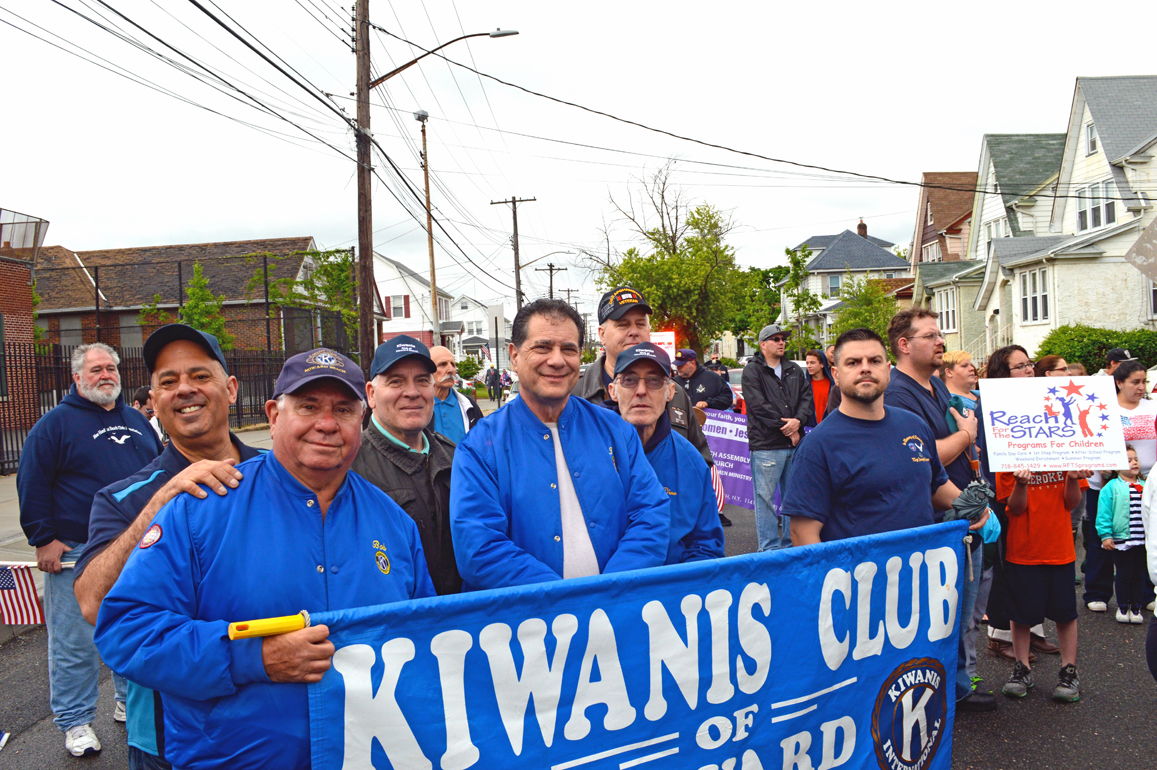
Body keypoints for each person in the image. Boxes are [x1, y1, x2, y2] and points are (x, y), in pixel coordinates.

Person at [94, 348, 435, 769]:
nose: (326, 424)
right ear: (273, 415)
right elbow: (126, 631)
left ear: (360, 421)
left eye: (343, 410)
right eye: (308, 407)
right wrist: (255, 658)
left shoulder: (395, 524)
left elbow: (424, 644)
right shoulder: (201, 508)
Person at [74, 324, 260, 770]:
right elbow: (93, 604)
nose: (185, 390)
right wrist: (163, 500)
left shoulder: (278, 477)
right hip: (166, 737)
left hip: (270, 718)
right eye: (168, 382)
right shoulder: (123, 498)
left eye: (199, 375)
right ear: (153, 402)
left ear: (230, 388)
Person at [451, 299, 669, 590]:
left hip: (614, 616)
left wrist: (610, 589)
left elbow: (651, 515)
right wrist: (565, 602)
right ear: (514, 355)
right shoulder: (480, 447)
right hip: (528, 626)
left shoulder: (615, 430)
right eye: (542, 347)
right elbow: (478, 548)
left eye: (569, 349)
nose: (557, 360)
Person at [17, 342, 162, 757]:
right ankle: (76, 721)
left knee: (131, 627)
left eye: (111, 368)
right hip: (77, 551)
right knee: (74, 642)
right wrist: (43, 537)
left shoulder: (137, 421)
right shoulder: (54, 425)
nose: (106, 375)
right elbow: (32, 481)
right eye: (96, 369)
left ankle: (125, 701)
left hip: (135, 548)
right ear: (76, 377)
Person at [883, 309, 994, 713]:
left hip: (962, 512)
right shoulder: (899, 394)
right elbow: (923, 461)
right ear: (904, 345)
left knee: (965, 610)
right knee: (941, 614)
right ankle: (940, 694)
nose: (940, 341)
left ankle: (958, 683)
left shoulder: (934, 386)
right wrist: (966, 436)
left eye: (940, 334)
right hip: (938, 519)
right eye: (930, 335)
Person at [784, 328, 972, 542]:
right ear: (836, 374)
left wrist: (971, 505)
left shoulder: (914, 425)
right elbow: (803, 533)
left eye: (874, 361)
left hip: (919, 569)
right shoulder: (818, 445)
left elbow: (935, 484)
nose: (865, 369)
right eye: (853, 362)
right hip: (857, 573)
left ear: (888, 370)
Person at [573, 286, 727, 525]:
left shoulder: (675, 393)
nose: (634, 332)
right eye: (623, 324)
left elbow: (700, 462)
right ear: (602, 333)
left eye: (640, 323)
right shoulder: (575, 396)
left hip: (671, 533)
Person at [352, 335, 460, 594]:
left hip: (460, 623)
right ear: (371, 394)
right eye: (396, 381)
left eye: (422, 381)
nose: (412, 392)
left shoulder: (457, 459)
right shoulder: (348, 466)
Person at [608, 343, 724, 564]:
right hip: (602, 592)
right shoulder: (588, 452)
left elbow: (705, 546)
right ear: (613, 391)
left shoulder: (691, 461)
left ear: (671, 391)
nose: (641, 391)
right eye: (630, 380)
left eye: (654, 381)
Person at [981, 346, 1059, 662]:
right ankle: (1000, 634)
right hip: (1004, 492)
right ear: (1003, 374)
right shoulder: (990, 405)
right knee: (1007, 564)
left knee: (1034, 563)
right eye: (1020, 366)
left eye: (1029, 365)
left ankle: (1032, 628)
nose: (1029, 371)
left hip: (1037, 492)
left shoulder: (1040, 401)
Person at [997, 466, 1091, 703]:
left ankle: (1069, 670)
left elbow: (1071, 504)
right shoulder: (1009, 459)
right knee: (1021, 615)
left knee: (1065, 614)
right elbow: (1016, 508)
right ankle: (1022, 668)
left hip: (1059, 550)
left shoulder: (1066, 457)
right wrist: (1020, 484)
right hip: (1023, 550)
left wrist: (1071, 479)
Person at [742, 323, 813, 551]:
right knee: (765, 499)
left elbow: (806, 399)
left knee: (793, 498)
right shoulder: (752, 370)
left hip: (793, 443)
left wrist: (799, 422)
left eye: (783, 338)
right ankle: (769, 549)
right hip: (766, 445)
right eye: (776, 339)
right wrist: (789, 428)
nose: (782, 342)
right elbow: (758, 406)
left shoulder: (794, 368)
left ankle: (791, 544)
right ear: (763, 345)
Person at [1096, 446, 1148, 623]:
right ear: (1117, 465)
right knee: (1124, 573)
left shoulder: (1145, 486)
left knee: (1140, 573)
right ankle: (1123, 606)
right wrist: (1106, 535)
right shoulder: (1111, 488)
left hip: (1142, 539)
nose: (1134, 462)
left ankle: (1136, 607)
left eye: (1136, 459)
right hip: (1123, 539)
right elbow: (1104, 514)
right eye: (1129, 460)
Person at [427, 345, 482, 443]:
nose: (451, 370)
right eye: (443, 364)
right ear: (428, 370)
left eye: (453, 364)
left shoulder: (469, 406)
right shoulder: (417, 406)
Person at [803, 349, 834, 427]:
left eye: (812, 363)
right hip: (809, 430)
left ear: (822, 364)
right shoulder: (803, 386)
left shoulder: (833, 386)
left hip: (829, 428)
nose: (809, 366)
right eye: (807, 363)